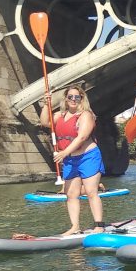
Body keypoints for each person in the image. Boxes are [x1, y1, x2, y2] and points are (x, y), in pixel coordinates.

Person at [40, 86, 105, 235]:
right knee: (71, 194)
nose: (73, 100)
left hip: (88, 157)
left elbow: (81, 137)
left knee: (90, 191)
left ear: (82, 99)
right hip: (70, 159)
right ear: (66, 99)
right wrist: (45, 105)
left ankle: (99, 225)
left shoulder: (86, 115)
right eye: (70, 97)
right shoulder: (59, 116)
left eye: (77, 97)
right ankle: (75, 227)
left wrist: (64, 153)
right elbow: (44, 122)